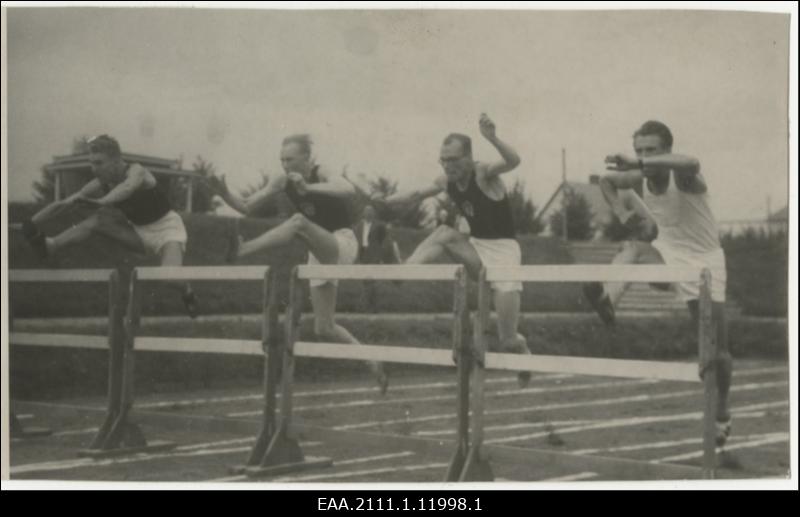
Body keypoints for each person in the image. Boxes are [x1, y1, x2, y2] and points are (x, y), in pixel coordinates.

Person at [584, 120, 733, 446]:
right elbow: (606, 180)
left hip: (706, 263)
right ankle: (608, 298)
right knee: (634, 249)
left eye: (651, 150)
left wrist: (639, 163)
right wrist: (620, 214)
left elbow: (691, 162)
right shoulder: (641, 177)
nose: (643, 157)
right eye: (639, 150)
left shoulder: (684, 177)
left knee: (716, 353)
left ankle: (722, 409)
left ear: (667, 151)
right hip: (667, 255)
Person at [206, 134, 388, 394]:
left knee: (298, 222)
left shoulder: (320, 171)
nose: (285, 165)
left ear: (307, 159)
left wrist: (308, 188)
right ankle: (372, 361)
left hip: (342, 243)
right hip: (319, 248)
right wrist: (224, 192)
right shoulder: (281, 180)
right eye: (281, 159)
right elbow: (247, 206)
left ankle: (244, 248)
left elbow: (347, 189)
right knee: (324, 327)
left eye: (290, 159)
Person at [375, 113, 532, 387]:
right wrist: (384, 202)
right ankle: (404, 271)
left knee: (508, 340)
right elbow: (415, 195)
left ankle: (524, 351)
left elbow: (513, 161)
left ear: (469, 158)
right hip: (476, 249)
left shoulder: (483, 173)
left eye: (453, 160)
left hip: (505, 254)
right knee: (445, 233)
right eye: (443, 160)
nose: (448, 166)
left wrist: (493, 138)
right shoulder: (446, 181)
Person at [22, 134, 197, 317]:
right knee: (97, 221)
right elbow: (65, 204)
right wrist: (30, 222)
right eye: (91, 163)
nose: (93, 169)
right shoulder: (99, 184)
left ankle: (187, 289)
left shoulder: (137, 171)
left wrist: (102, 201)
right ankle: (51, 245)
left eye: (99, 163)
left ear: (116, 161)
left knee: (168, 277)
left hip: (168, 231)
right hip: (139, 234)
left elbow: (127, 188)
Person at [353, 204, 396, 312]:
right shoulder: (358, 226)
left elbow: (385, 242)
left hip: (374, 255)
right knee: (365, 280)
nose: (368, 213)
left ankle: (369, 306)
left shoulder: (380, 225)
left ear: (373, 213)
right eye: (366, 211)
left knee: (371, 279)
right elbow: (355, 241)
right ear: (363, 213)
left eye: (370, 211)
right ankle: (370, 306)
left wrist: (381, 256)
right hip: (362, 253)